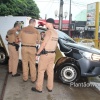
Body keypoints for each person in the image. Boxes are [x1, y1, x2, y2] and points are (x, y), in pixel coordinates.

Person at [31, 18, 58, 93]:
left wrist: (37, 53)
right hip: (53, 54)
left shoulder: (48, 32)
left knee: (41, 71)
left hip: (45, 54)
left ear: (49, 23)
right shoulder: (56, 33)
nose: (45, 24)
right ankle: (50, 87)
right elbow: (55, 45)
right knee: (50, 72)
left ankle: (39, 88)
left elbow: (43, 44)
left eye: (46, 23)